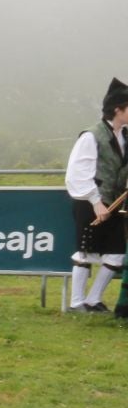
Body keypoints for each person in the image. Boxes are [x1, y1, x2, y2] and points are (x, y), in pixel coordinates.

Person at [64, 78, 128, 313]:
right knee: (85, 251)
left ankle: (93, 300)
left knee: (116, 254)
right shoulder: (91, 136)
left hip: (115, 203)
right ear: (117, 109)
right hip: (89, 203)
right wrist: (96, 202)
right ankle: (76, 303)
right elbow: (77, 173)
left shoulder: (125, 137)